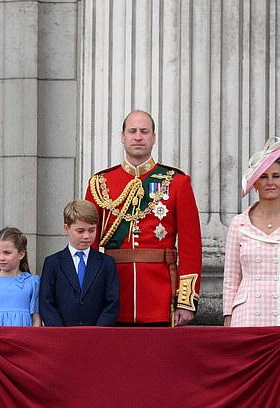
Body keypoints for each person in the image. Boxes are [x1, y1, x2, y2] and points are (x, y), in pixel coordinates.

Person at [85, 110, 202, 326]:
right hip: (113, 294)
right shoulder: (100, 184)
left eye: (144, 131)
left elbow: (190, 245)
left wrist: (185, 301)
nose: (138, 137)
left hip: (161, 296)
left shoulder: (177, 182)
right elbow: (88, 244)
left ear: (154, 138)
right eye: (132, 131)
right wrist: (90, 295)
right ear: (123, 137)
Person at [222, 138, 280, 326]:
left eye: (276, 176)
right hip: (247, 316)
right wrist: (227, 319)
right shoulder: (239, 224)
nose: (270, 182)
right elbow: (231, 279)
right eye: (263, 177)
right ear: (254, 183)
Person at [39, 200, 120, 326]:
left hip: (97, 335)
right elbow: (46, 301)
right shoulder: (52, 263)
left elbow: (112, 302)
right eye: (80, 231)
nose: (87, 236)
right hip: (63, 335)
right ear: (67, 228)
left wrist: (99, 330)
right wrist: (60, 331)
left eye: (91, 230)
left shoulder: (106, 263)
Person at [0, 227, 41, 326]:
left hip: (22, 338)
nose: (1, 258)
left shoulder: (32, 282)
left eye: (7, 253)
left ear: (21, 254)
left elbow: (36, 319)